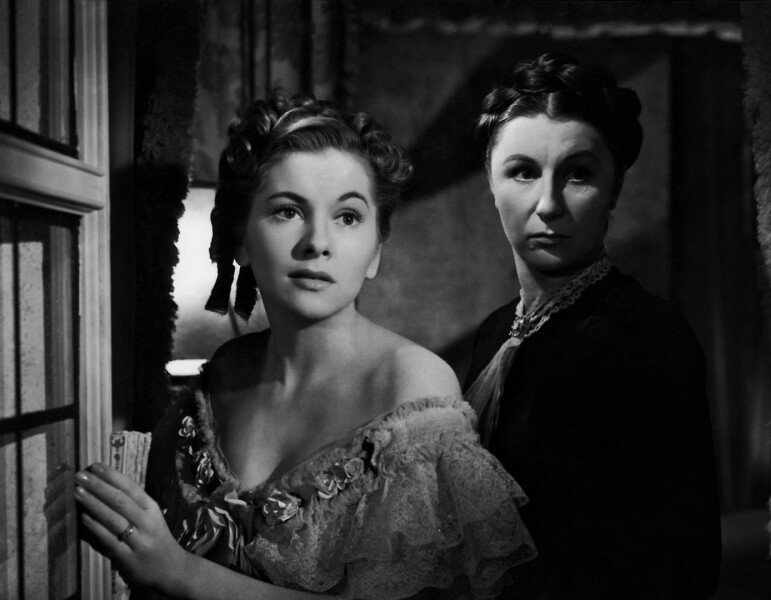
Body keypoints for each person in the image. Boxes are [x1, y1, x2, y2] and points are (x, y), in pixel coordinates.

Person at [74, 91, 536, 600]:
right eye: (288, 210)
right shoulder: (224, 372)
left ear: (375, 252)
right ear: (241, 239)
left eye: (348, 217)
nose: (318, 241)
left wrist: (180, 572)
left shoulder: (412, 387)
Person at [464, 52, 721, 599]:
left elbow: (685, 561)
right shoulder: (494, 332)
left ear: (615, 189)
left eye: (578, 174)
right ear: (490, 182)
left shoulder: (648, 337)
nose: (548, 204)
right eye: (523, 172)